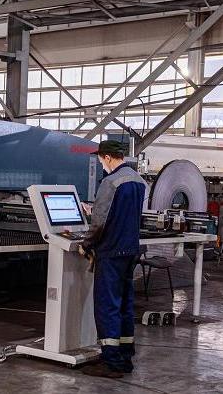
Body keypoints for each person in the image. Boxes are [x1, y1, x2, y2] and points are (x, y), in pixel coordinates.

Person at [79, 140, 147, 378]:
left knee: (107, 306)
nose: (101, 165)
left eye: (101, 160)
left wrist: (86, 244)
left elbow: (100, 222)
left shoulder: (110, 182)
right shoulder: (138, 181)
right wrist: (96, 208)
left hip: (111, 252)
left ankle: (111, 363)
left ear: (107, 157)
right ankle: (124, 357)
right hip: (130, 250)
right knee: (125, 304)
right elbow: (122, 213)